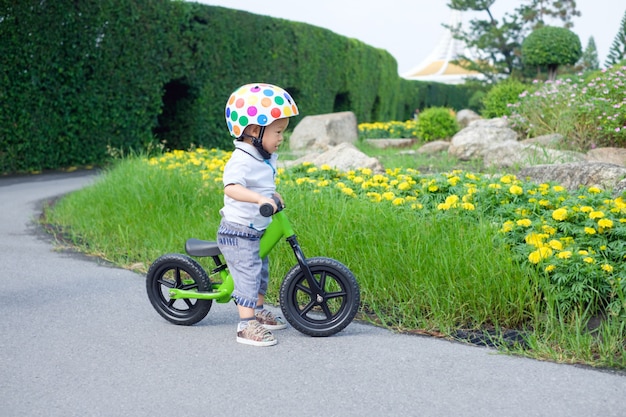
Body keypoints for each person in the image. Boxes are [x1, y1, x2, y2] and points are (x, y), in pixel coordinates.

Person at [218, 82, 299, 347]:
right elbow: (232, 187)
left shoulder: (262, 155)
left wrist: (272, 196)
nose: (281, 137)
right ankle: (245, 325)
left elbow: (263, 185)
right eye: (277, 131)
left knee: (261, 270)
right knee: (249, 272)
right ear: (254, 131)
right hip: (238, 230)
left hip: (256, 228)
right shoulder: (242, 158)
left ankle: (259, 311)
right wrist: (259, 198)